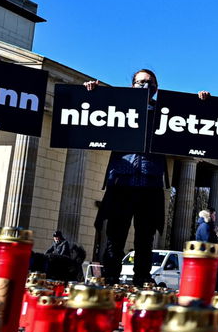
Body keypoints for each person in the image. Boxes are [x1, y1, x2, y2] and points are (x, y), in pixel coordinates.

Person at [85, 70, 210, 287]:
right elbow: (88, 114)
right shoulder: (117, 108)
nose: (145, 86)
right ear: (132, 85)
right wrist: (90, 94)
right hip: (121, 181)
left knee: (145, 238)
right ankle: (111, 278)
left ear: (157, 88)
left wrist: (201, 104)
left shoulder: (165, 113)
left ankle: (142, 278)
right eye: (141, 82)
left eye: (150, 83)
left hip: (150, 183)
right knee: (115, 236)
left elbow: (193, 123)